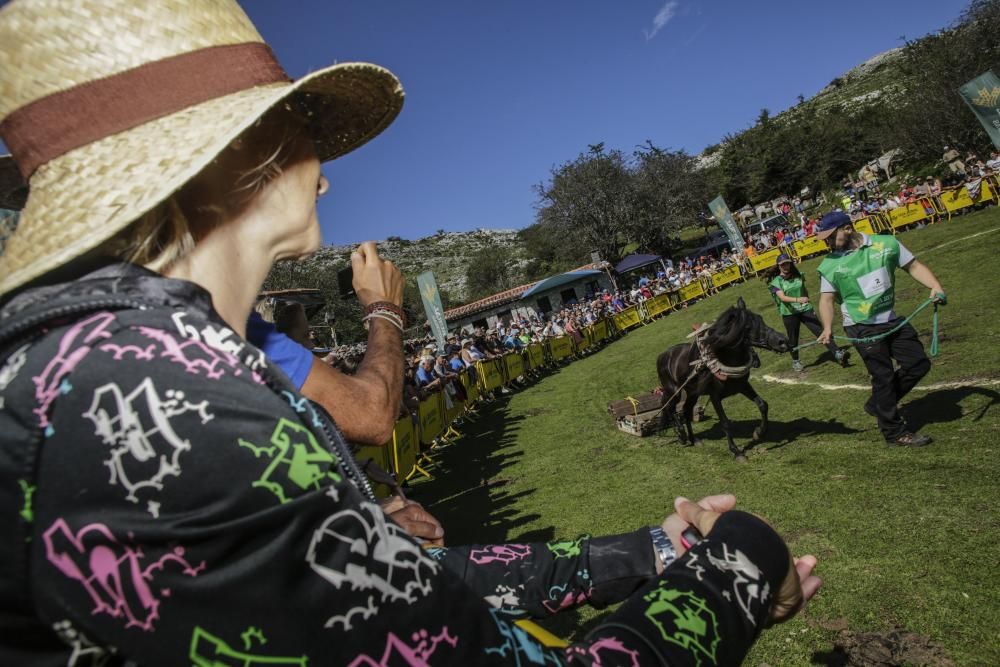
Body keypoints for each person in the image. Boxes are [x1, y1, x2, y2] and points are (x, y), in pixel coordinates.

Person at [0, 1, 819, 663]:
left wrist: (644, 552)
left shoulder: (124, 360)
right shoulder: (175, 403)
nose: (326, 167)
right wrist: (741, 565)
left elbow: (411, 582)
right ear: (244, 155)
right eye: (299, 123)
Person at [815, 211, 946, 447]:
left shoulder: (886, 244)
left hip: (890, 320)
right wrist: (827, 327)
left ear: (847, 228)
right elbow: (826, 299)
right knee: (883, 377)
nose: (827, 242)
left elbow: (913, 266)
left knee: (918, 364)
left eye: (830, 236)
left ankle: (878, 403)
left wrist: (935, 286)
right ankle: (894, 432)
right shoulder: (830, 265)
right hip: (860, 325)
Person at [768, 253, 848, 372]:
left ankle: (837, 352)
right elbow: (783, 298)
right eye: (783, 264)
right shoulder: (776, 282)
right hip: (789, 313)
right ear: (779, 266)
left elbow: (804, 289)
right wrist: (798, 300)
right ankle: (795, 361)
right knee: (793, 339)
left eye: (787, 264)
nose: (785, 266)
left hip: (805, 309)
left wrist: (805, 298)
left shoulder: (799, 275)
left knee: (820, 330)